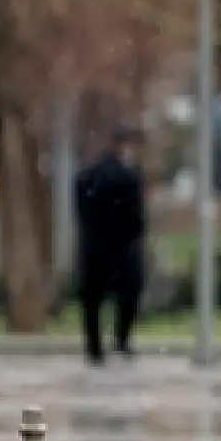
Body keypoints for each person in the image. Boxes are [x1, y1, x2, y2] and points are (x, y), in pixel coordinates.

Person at [75, 125, 147, 365]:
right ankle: (121, 340)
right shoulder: (129, 177)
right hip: (122, 246)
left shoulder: (88, 175)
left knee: (93, 298)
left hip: (94, 245)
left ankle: (94, 347)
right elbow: (136, 215)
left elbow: (81, 210)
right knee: (128, 293)